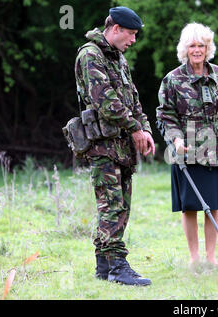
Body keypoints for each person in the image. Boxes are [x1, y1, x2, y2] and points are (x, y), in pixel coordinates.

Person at [74, 6, 155, 285]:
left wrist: (144, 128)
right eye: (130, 34)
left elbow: (133, 100)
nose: (133, 41)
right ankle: (118, 266)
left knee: (121, 205)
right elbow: (105, 101)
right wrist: (134, 128)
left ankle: (104, 266)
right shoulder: (90, 55)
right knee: (111, 205)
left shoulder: (118, 59)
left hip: (122, 146)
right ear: (116, 29)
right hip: (101, 145)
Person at [156, 22, 218, 267]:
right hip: (187, 149)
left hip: (215, 147)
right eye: (192, 45)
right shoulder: (172, 79)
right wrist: (176, 139)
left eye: (201, 45)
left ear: (208, 47)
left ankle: (212, 258)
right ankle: (194, 259)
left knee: (213, 205)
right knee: (190, 206)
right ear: (184, 48)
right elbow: (165, 115)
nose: (197, 50)